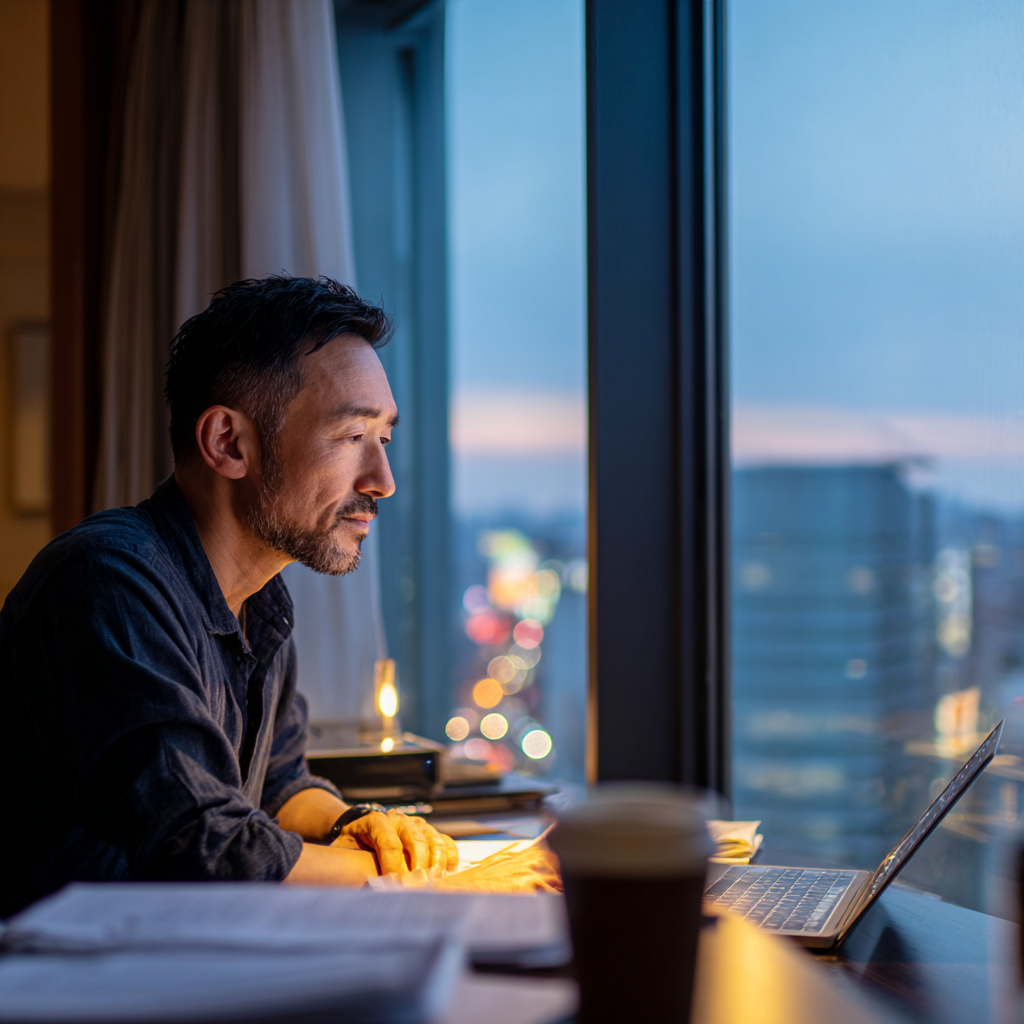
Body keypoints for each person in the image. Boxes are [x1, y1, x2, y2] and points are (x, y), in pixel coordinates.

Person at [0, 276, 559, 917]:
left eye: (384, 439)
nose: (382, 480)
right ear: (228, 443)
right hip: (63, 964)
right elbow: (203, 849)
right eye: (351, 437)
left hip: (174, 951)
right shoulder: (108, 581)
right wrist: (433, 883)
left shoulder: (257, 602)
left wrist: (357, 822)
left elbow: (277, 786)